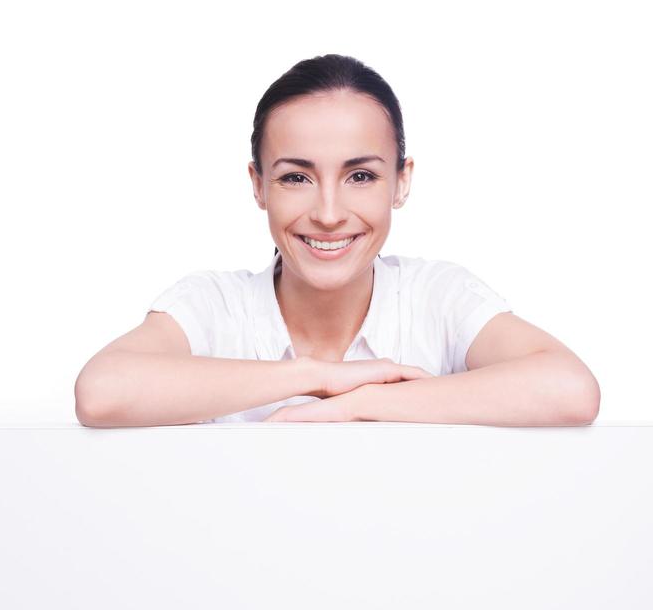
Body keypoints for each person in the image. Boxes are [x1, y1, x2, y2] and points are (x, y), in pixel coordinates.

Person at [74, 53, 600, 427]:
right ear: (258, 185)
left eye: (361, 176)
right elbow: (102, 393)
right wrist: (317, 377)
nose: (328, 214)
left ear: (402, 181)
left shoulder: (436, 297)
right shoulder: (215, 305)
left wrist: (357, 402)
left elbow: (570, 389)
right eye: (296, 177)